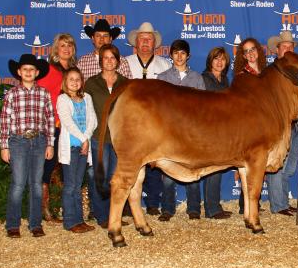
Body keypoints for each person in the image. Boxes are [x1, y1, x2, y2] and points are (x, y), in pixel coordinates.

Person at [0, 54, 55, 238]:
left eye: (32, 69)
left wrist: (50, 144)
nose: (29, 72)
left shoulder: (44, 93)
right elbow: (5, 121)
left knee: (36, 184)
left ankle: (35, 223)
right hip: (18, 141)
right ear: (19, 72)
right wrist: (4, 146)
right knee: (18, 183)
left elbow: (49, 120)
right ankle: (13, 224)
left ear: (37, 72)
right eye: (25, 69)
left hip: (39, 141)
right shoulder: (12, 94)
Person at [158, 40, 208, 221]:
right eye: (176, 53)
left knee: (193, 169)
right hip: (169, 131)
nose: (179, 57)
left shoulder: (197, 78)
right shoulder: (162, 78)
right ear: (170, 55)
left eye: (183, 53)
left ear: (188, 56)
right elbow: (158, 107)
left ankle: (194, 208)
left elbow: (203, 106)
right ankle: (167, 209)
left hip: (191, 131)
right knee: (168, 172)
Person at [125, 21, 171, 215]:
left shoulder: (164, 64)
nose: (145, 42)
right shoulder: (124, 62)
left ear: (155, 43)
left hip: (156, 120)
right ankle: (127, 205)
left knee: (154, 162)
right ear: (136, 42)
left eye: (149, 39)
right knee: (129, 161)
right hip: (132, 119)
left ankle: (153, 202)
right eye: (142, 39)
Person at [84, 44, 129, 228]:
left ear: (118, 61)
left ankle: (114, 215)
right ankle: (102, 216)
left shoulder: (126, 83)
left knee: (115, 177)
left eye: (113, 58)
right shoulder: (91, 83)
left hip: (120, 138)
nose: (109, 61)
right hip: (98, 137)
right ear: (100, 61)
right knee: (99, 176)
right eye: (106, 58)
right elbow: (85, 110)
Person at [38, 33, 78, 222]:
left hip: (70, 126)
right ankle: (43, 210)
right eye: (63, 45)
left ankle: (65, 208)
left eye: (69, 46)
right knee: (47, 167)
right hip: (53, 125)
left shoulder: (74, 71)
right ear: (56, 49)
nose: (66, 49)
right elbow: (40, 96)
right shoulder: (48, 70)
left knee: (65, 169)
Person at [265, 31, 298, 216]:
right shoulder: (271, 72)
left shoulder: (297, 73)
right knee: (277, 165)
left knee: (289, 167)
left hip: (295, 125)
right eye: (284, 47)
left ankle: (283, 202)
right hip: (278, 125)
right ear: (277, 50)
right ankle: (278, 205)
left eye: (290, 47)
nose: (287, 50)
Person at [57, 67, 97, 233]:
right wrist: (82, 139)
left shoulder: (87, 97)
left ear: (82, 82)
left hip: (83, 147)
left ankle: (79, 220)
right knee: (70, 185)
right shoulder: (63, 99)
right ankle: (70, 222)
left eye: (77, 79)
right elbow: (67, 121)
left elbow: (93, 120)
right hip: (71, 147)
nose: (74, 82)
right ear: (65, 82)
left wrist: (86, 139)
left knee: (78, 184)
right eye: (71, 79)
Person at [233, 37, 267, 213]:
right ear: (243, 56)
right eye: (246, 51)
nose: (250, 53)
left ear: (258, 50)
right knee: (248, 163)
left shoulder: (268, 73)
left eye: (252, 49)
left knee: (258, 164)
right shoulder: (241, 76)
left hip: (265, 124)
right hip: (248, 125)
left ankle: (254, 203)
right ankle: (245, 204)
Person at [200, 46, 234, 220]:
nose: (220, 62)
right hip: (209, 129)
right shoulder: (204, 79)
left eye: (223, 59)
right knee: (213, 168)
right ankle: (211, 209)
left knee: (218, 168)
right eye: (216, 58)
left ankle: (214, 205)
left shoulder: (225, 81)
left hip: (222, 130)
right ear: (210, 61)